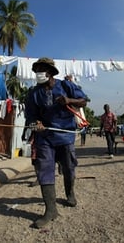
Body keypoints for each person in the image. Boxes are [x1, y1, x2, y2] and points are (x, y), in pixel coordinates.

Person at [25, 57, 88, 229]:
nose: (39, 73)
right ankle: (51, 210)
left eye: (42, 69)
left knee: (68, 167)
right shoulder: (33, 93)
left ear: (51, 72)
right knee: (44, 170)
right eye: (37, 69)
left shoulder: (66, 86)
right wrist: (35, 123)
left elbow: (83, 100)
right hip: (44, 137)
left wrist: (69, 101)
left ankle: (70, 193)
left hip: (65, 135)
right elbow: (30, 115)